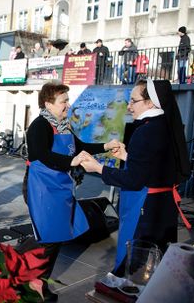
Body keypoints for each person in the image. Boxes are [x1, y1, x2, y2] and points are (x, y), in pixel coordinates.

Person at [80, 79, 189, 276]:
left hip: (145, 209)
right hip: (162, 206)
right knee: (159, 261)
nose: (129, 107)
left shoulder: (145, 131)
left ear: (150, 103)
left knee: (135, 266)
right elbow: (154, 167)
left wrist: (98, 168)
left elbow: (133, 179)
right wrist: (127, 156)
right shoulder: (165, 126)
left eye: (133, 101)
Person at [24, 82, 120, 300]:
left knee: (55, 237)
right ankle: (33, 280)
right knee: (48, 237)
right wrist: (71, 161)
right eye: (64, 101)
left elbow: (79, 147)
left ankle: (34, 278)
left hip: (60, 186)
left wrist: (106, 146)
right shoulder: (39, 126)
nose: (68, 105)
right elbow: (41, 155)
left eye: (67, 100)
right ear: (48, 104)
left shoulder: (64, 125)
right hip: (42, 187)